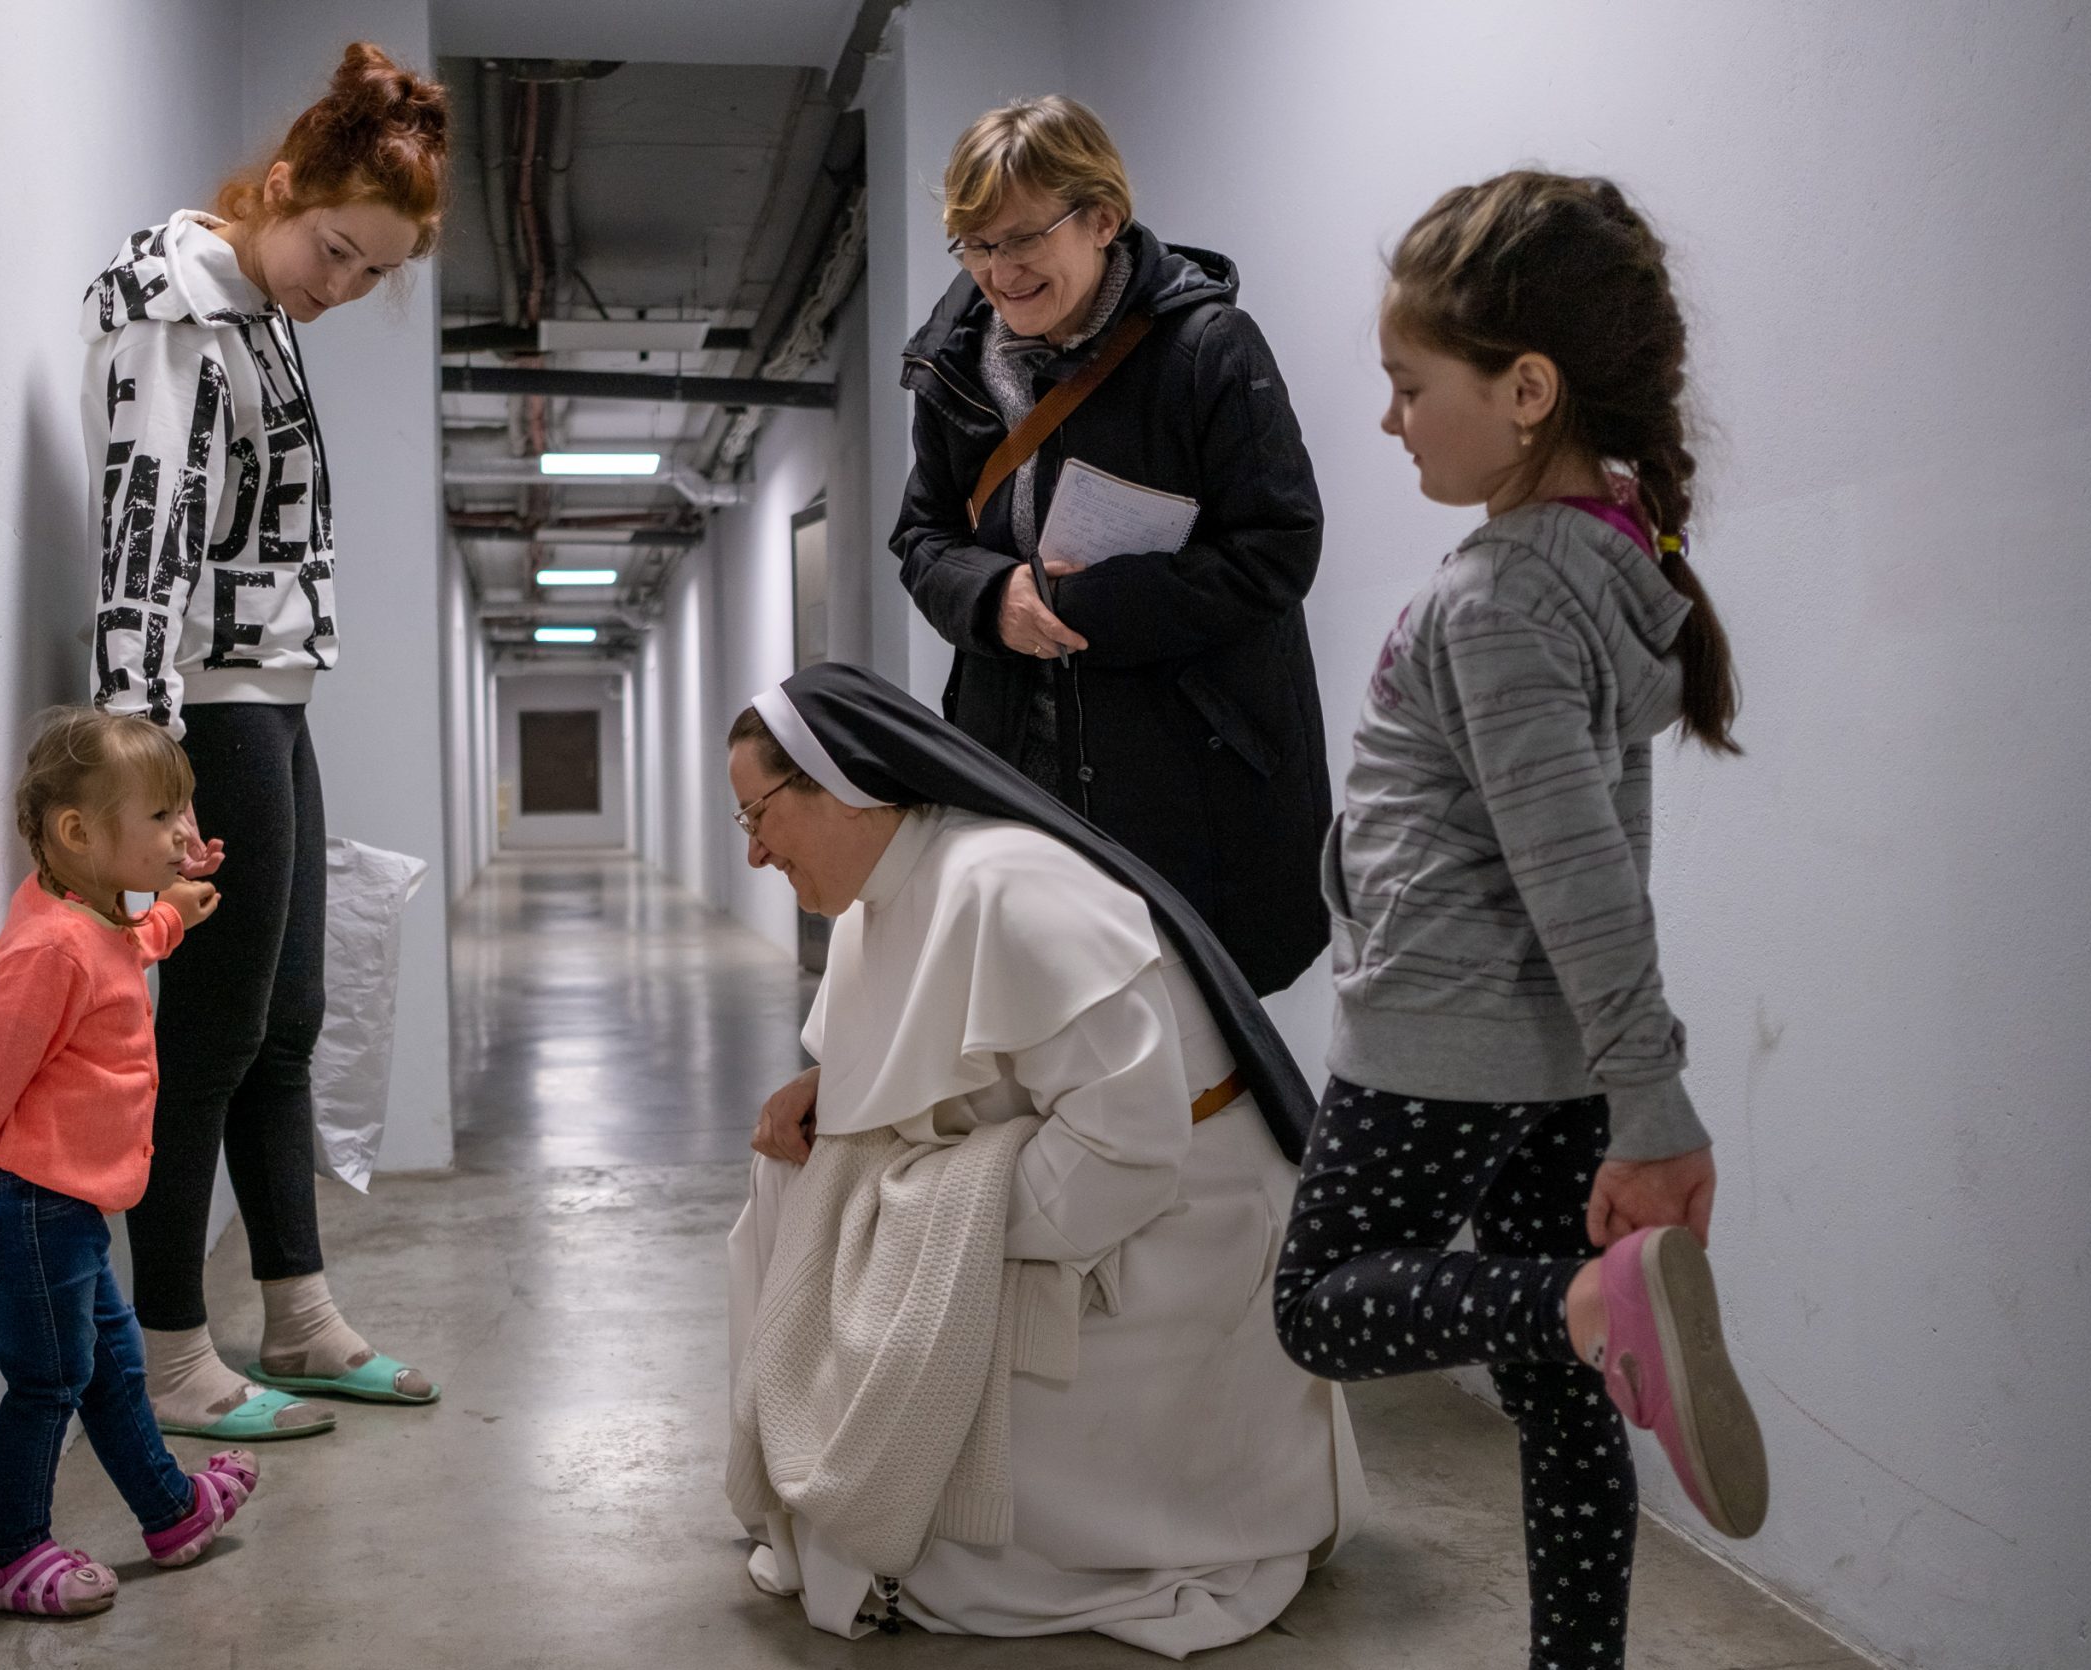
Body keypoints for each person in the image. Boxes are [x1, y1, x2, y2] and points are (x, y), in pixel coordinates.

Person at [1273, 172, 1767, 1670]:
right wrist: (1628, 1096)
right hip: (1545, 1053)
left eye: (1408, 386)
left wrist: (1657, 1096)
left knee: (1317, 1306)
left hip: (1443, 1030)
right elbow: (1592, 852)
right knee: (1563, 1395)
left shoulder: (1493, 596)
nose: (1391, 420)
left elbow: (1576, 871)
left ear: (1527, 387)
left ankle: (1581, 1295)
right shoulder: (1607, 564)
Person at [726, 664, 1364, 1659]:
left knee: (860, 1253)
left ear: (840, 783)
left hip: (1182, 1229)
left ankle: (898, 1509)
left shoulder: (1005, 886)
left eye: (760, 814)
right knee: (788, 1180)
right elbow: (930, 1056)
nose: (757, 850)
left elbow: (1130, 1145)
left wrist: (921, 1221)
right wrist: (834, 1092)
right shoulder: (890, 893)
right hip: (1075, 1187)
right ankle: (808, 1468)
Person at [84, 42, 452, 1439]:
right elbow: (141, 530)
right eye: (336, 248)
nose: (342, 285)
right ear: (282, 187)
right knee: (214, 1030)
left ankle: (294, 1310)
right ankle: (171, 1346)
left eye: (371, 272)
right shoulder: (172, 304)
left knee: (285, 1022)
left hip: (272, 700)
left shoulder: (261, 309)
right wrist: (145, 767)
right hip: (207, 705)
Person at [892, 96, 1330, 997]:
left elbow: (1278, 547)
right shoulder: (952, 365)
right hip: (1019, 769)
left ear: (1103, 217)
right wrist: (993, 599)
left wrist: (1080, 609)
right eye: (973, 246)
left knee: (1188, 1057)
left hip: (1186, 776)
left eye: (1020, 239)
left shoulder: (1208, 350)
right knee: (1035, 1036)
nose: (997, 273)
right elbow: (922, 536)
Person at [0, 710, 257, 1616]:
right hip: (21, 1209)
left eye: (182, 812)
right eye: (162, 818)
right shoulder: (44, 952)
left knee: (111, 1363)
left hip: (65, 1209)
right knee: (52, 1381)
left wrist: (170, 913)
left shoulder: (87, 915)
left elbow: (120, 952)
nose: (185, 834)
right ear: (78, 833)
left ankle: (170, 1510)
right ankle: (9, 1556)